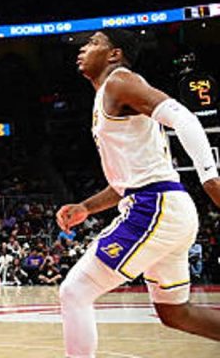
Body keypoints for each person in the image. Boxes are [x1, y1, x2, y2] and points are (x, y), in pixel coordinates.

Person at [56, 29, 220, 357]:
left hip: (153, 207)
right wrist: (87, 207)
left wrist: (210, 179)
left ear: (114, 54)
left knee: (74, 292)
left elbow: (184, 118)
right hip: (165, 206)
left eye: (93, 43)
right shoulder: (108, 94)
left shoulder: (119, 81)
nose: (84, 49)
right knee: (176, 313)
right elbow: (124, 184)